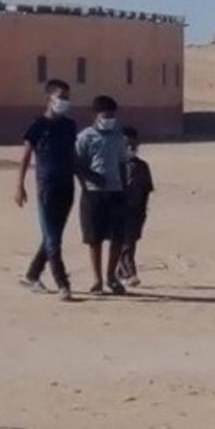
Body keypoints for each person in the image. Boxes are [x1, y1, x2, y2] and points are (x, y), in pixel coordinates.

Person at [15, 79, 77, 301]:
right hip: (46, 187)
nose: (65, 102)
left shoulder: (70, 126)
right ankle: (63, 283)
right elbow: (25, 157)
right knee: (53, 239)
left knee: (54, 236)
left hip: (67, 186)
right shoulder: (38, 125)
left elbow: (74, 156)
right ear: (49, 98)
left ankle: (32, 275)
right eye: (61, 97)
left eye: (68, 98)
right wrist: (19, 185)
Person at [75, 95, 128, 295]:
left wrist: (124, 187)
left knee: (117, 237)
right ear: (96, 115)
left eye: (112, 115)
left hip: (116, 192)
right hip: (93, 193)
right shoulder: (85, 137)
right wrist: (87, 185)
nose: (110, 119)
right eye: (106, 115)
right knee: (94, 238)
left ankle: (111, 276)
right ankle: (97, 279)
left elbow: (122, 162)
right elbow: (78, 164)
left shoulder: (118, 137)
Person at [117, 126, 154, 288]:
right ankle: (129, 272)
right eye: (126, 146)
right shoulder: (115, 166)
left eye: (133, 146)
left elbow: (147, 189)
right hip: (118, 210)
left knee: (130, 241)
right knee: (126, 243)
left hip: (137, 212)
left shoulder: (142, 167)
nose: (130, 149)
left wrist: (142, 212)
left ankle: (119, 272)